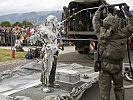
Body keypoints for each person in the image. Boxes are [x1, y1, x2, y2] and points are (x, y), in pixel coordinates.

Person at [93, 4, 133, 100]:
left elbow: (95, 22)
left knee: (105, 93)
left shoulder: (101, 34)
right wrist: (129, 14)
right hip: (118, 66)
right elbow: (132, 26)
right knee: (119, 88)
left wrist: (98, 11)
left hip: (105, 67)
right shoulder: (123, 33)